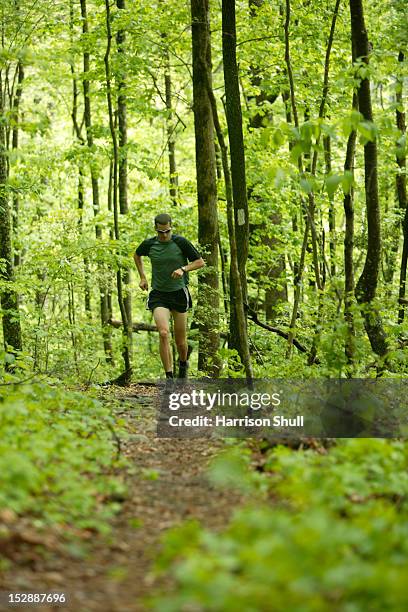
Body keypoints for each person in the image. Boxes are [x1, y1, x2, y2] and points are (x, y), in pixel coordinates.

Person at [134, 213, 205, 379]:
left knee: (181, 342)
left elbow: (200, 262)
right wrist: (143, 277)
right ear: (156, 229)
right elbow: (136, 255)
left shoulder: (180, 242)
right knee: (164, 333)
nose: (164, 235)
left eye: (167, 231)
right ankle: (169, 378)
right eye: (161, 232)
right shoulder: (150, 244)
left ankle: (183, 365)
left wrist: (183, 269)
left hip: (179, 294)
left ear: (171, 228)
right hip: (159, 294)